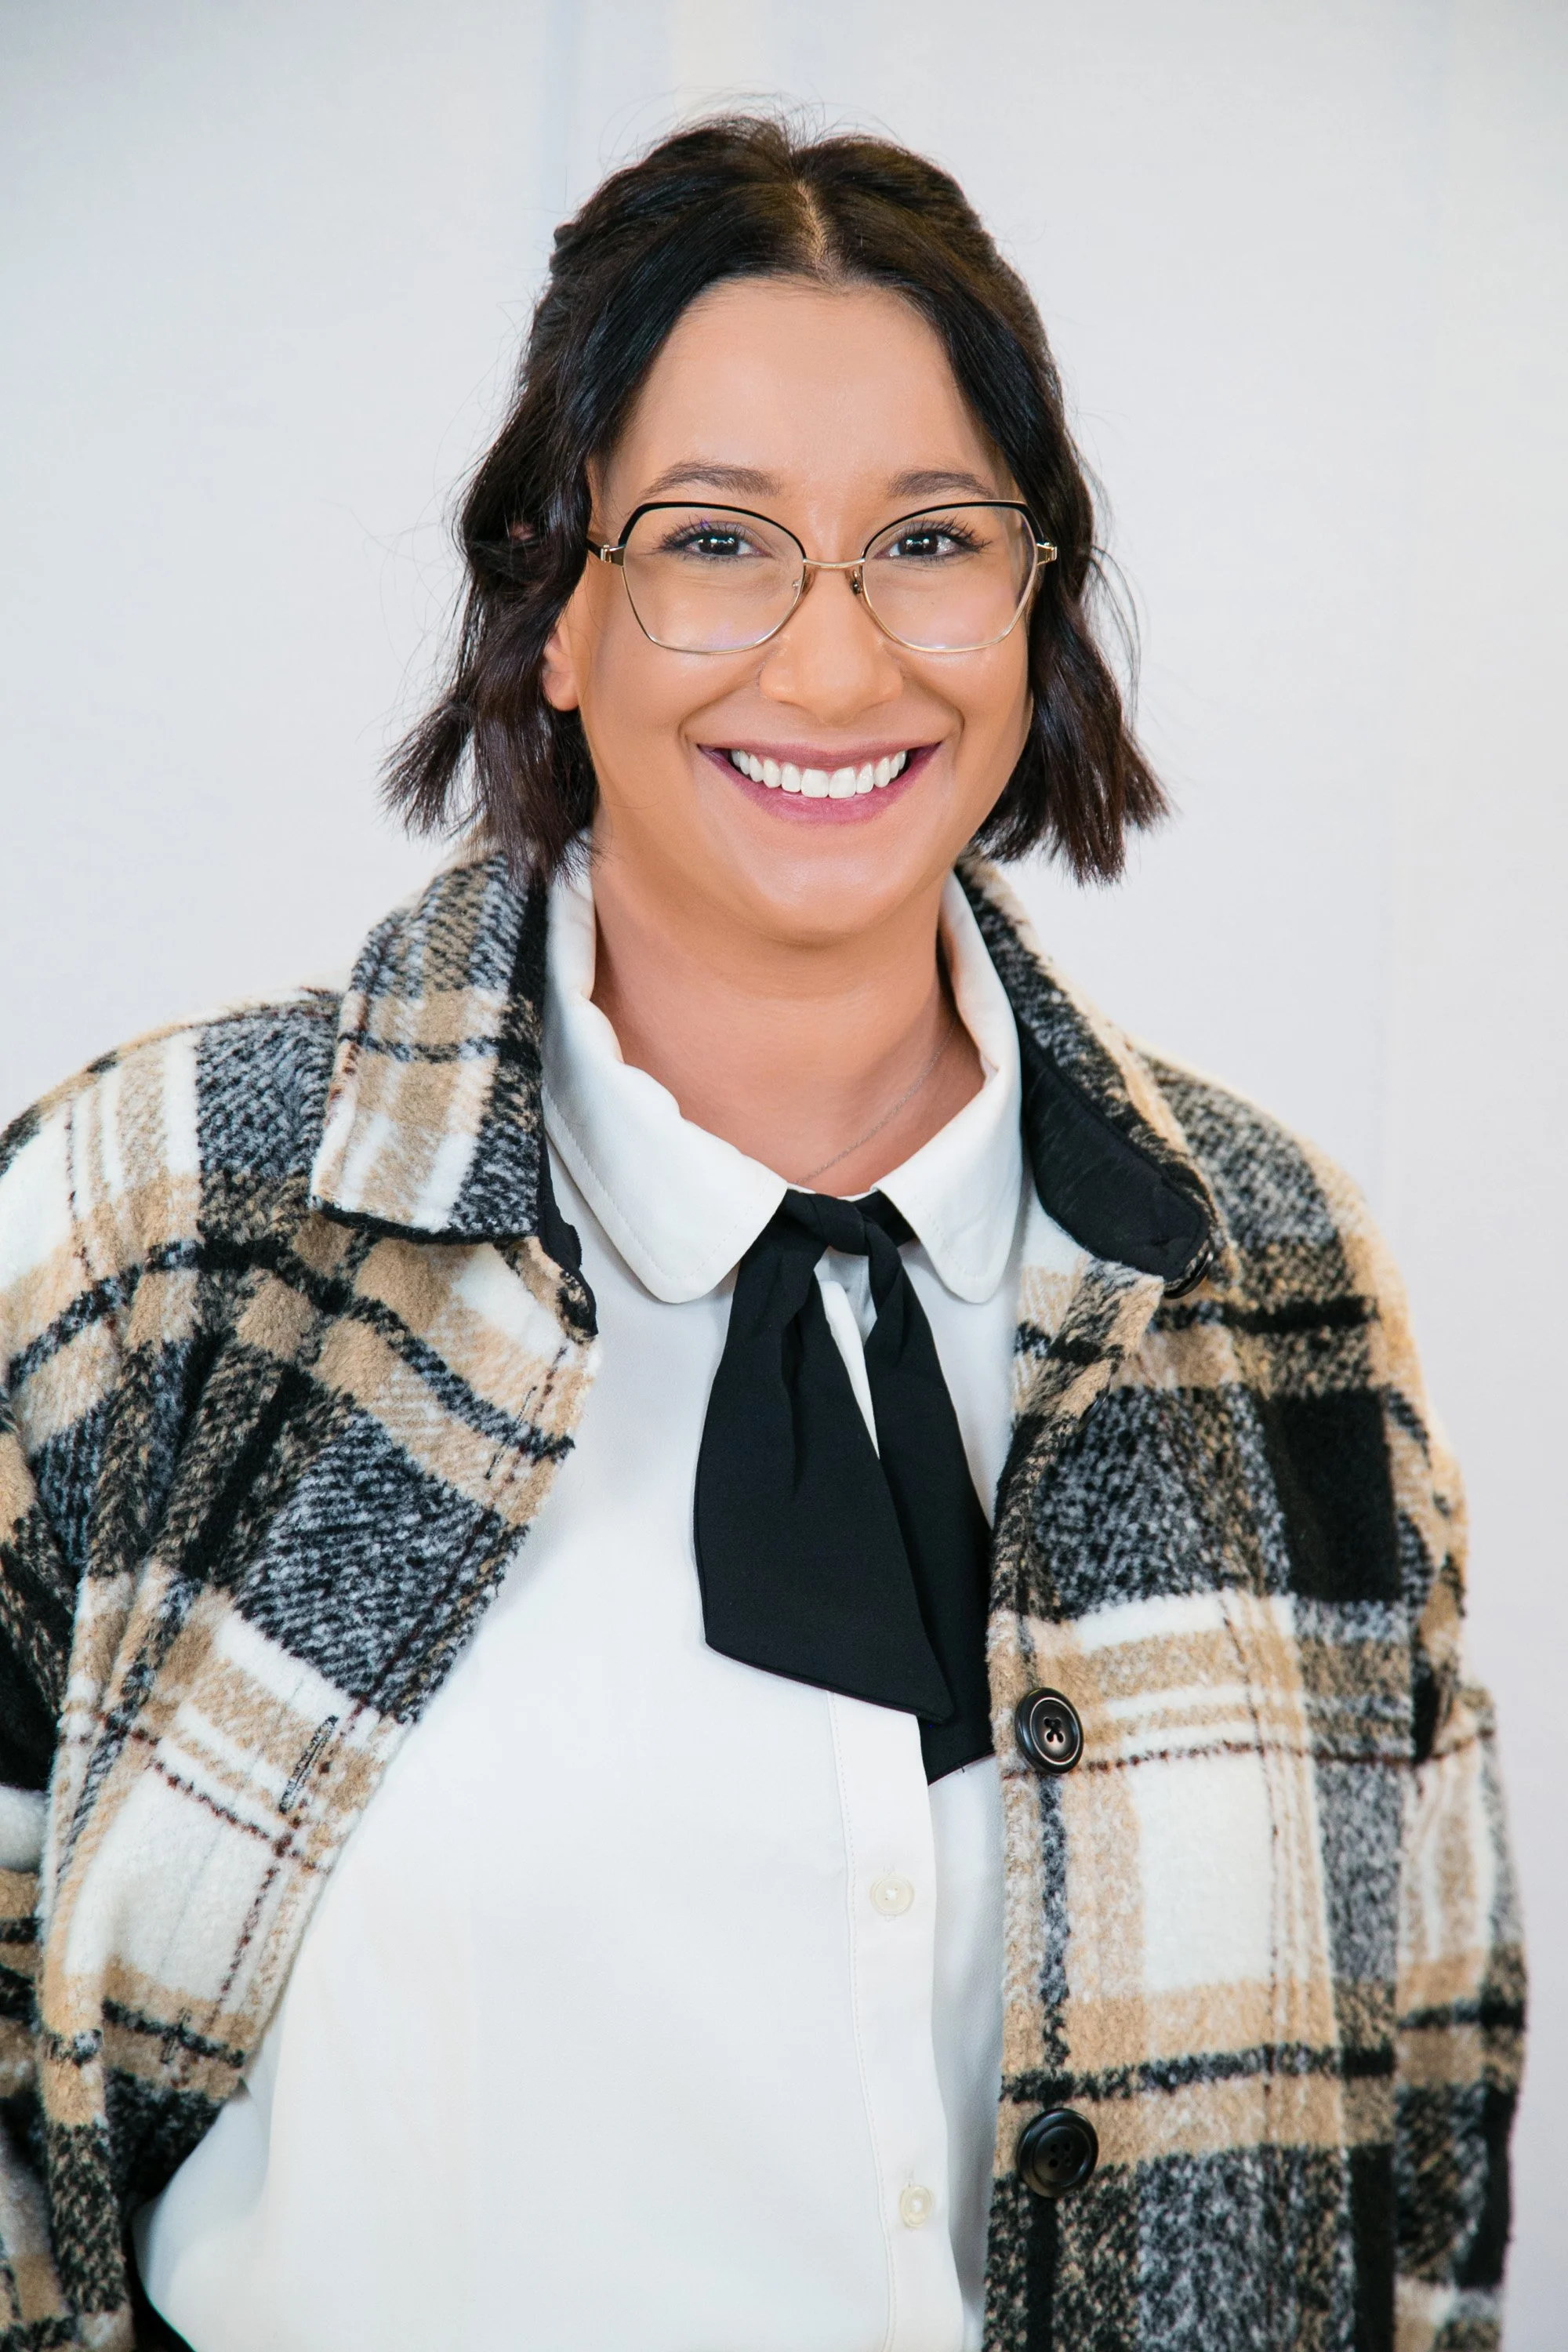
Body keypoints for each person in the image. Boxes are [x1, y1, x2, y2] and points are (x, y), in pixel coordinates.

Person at [0, 115, 1523, 2352]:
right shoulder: (161, 1221)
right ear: (554, 612)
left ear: (1033, 606)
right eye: (717, 541)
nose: (832, 664)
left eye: (928, 540)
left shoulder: (1268, 1266)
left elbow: (1431, 2115)